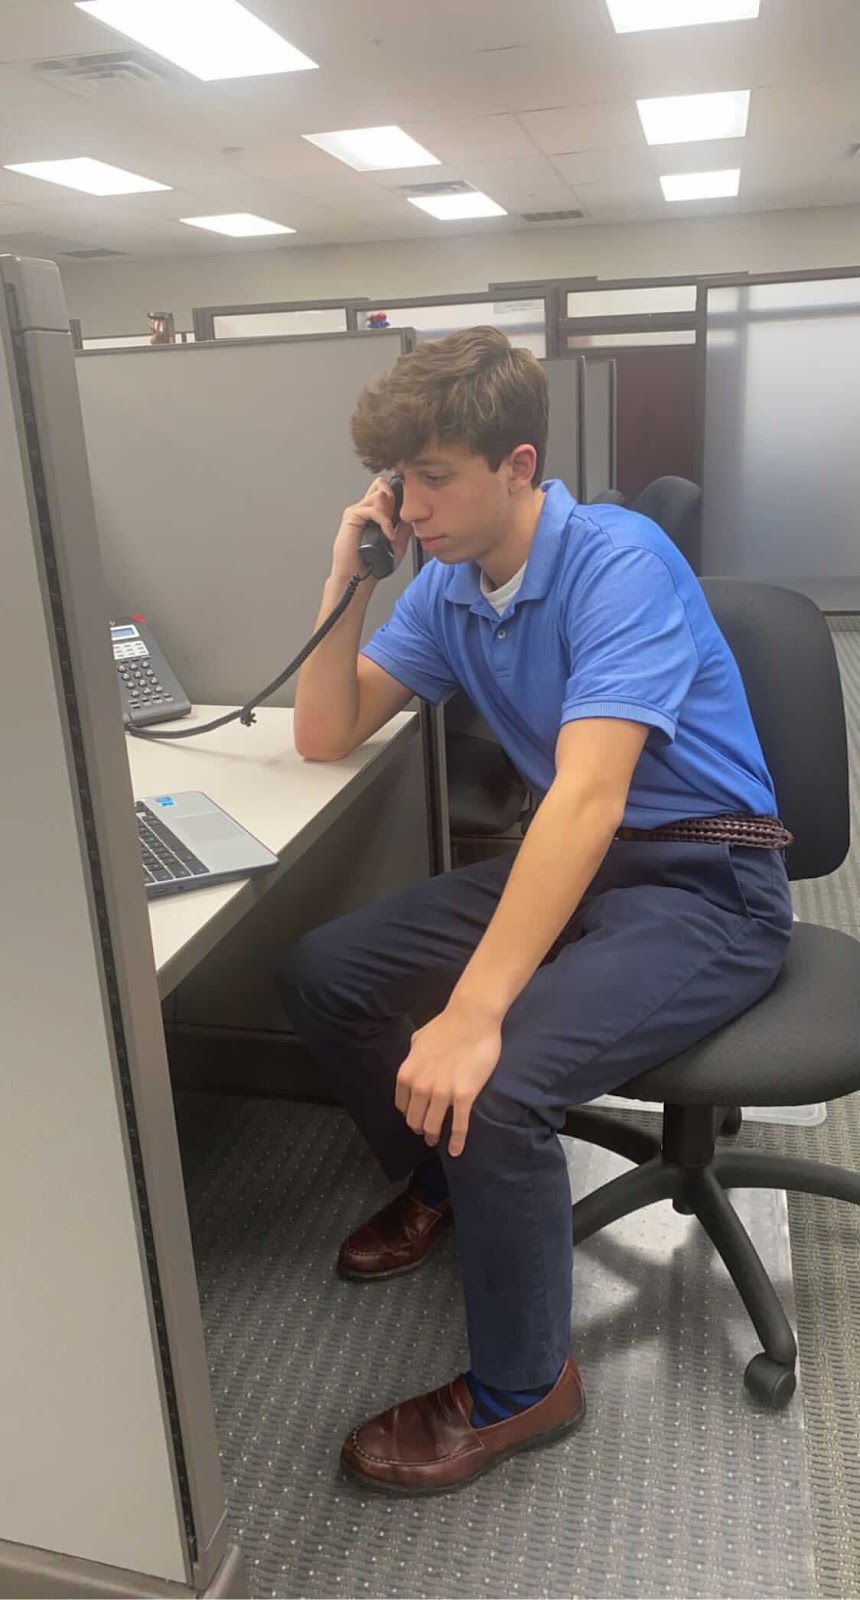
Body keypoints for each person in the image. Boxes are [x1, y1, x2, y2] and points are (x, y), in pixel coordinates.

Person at [277, 326, 794, 1496]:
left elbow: (588, 797)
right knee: (325, 971)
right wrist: (347, 578)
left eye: (433, 477)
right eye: (396, 482)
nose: (411, 508)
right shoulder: (447, 583)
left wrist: (472, 1014)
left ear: (516, 465)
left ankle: (525, 1388)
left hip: (706, 879)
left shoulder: (617, 561)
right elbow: (323, 730)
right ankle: (442, 1179)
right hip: (585, 868)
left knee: (499, 1080)